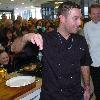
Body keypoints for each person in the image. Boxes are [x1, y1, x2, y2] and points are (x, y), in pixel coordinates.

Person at [11, 1, 92, 100]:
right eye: (75, 18)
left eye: (80, 18)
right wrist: (26, 37)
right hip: (51, 96)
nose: (80, 23)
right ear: (62, 18)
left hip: (75, 95)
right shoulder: (44, 40)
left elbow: (84, 64)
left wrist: (87, 87)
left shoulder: (81, 40)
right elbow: (14, 49)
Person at [84, 4, 100, 100]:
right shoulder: (86, 26)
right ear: (89, 15)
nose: (96, 15)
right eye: (94, 13)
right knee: (97, 86)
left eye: (98, 13)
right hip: (93, 62)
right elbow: (87, 43)